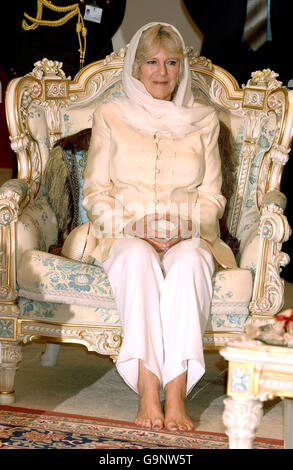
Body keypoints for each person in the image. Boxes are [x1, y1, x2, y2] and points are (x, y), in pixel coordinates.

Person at [82, 22, 237, 431]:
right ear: (136, 67)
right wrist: (133, 226)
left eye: (171, 62)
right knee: (136, 258)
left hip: (190, 234)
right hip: (124, 233)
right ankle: (148, 390)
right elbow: (96, 192)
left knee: (189, 264)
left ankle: (176, 395)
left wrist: (187, 226)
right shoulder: (110, 115)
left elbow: (213, 196)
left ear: (181, 68)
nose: (162, 71)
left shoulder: (205, 120)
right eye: (151, 62)